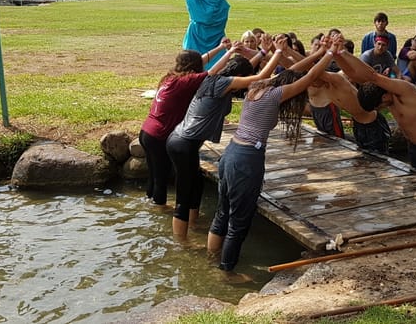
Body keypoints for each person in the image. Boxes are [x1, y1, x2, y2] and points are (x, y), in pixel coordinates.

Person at [207, 45, 335, 273]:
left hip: (230, 154)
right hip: (247, 160)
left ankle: (211, 259)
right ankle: (226, 273)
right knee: (238, 224)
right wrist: (331, 54)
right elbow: (310, 77)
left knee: (222, 213)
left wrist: (318, 53)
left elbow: (292, 71)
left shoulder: (256, 87)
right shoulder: (277, 94)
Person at [165, 36, 290, 240]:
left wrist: (261, 52)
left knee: (195, 186)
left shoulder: (215, 77)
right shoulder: (222, 83)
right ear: (238, 76)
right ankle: (180, 243)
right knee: (184, 195)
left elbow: (243, 69)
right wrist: (276, 53)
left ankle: (193, 229)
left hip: (178, 140)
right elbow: (257, 79)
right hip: (184, 144)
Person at [332, 36, 416, 180]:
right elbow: (353, 74)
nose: (382, 109)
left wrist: (344, 53)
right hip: (414, 148)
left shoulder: (406, 91)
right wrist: (335, 55)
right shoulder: (380, 92)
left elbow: (372, 75)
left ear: (383, 98)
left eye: (380, 106)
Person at [139, 38, 232, 205]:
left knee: (153, 175)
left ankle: (149, 204)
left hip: (146, 132)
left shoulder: (170, 77)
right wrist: (230, 53)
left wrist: (220, 48)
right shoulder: (185, 82)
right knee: (161, 178)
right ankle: (159, 212)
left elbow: (200, 61)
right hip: (159, 136)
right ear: (194, 68)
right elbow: (212, 72)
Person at [182, 0, 233, 69]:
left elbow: (226, 3)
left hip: (216, 37)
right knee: (193, 68)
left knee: (218, 69)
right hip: (197, 37)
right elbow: (206, 17)